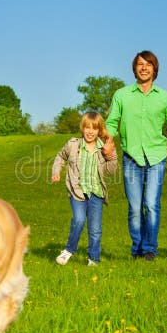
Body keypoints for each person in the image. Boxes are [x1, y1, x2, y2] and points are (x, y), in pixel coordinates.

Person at [103, 50, 167, 261]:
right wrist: (108, 142)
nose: (144, 67)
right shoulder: (122, 95)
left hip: (156, 157)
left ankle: (150, 249)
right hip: (131, 157)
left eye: (148, 64)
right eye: (140, 64)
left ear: (155, 69)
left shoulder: (165, 98)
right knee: (135, 207)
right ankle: (137, 248)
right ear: (134, 69)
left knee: (151, 204)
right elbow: (111, 123)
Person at [51, 111, 118, 266]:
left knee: (95, 229)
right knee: (79, 219)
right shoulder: (73, 145)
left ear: (99, 130)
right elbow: (60, 157)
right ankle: (69, 250)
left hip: (96, 193)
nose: (90, 131)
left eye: (94, 128)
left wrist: (111, 155)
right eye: (87, 127)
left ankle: (93, 259)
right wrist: (56, 172)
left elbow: (111, 171)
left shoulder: (104, 148)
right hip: (77, 191)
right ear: (82, 128)